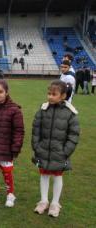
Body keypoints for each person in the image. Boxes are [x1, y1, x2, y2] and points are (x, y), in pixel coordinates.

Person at [32, 80, 80, 217]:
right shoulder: (42, 110)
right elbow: (36, 130)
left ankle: (55, 203)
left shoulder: (70, 113)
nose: (50, 97)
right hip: (43, 151)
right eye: (48, 93)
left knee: (57, 176)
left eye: (54, 94)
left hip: (60, 153)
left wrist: (65, 152)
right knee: (44, 174)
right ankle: (43, 200)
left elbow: (74, 135)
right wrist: (36, 146)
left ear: (63, 96)